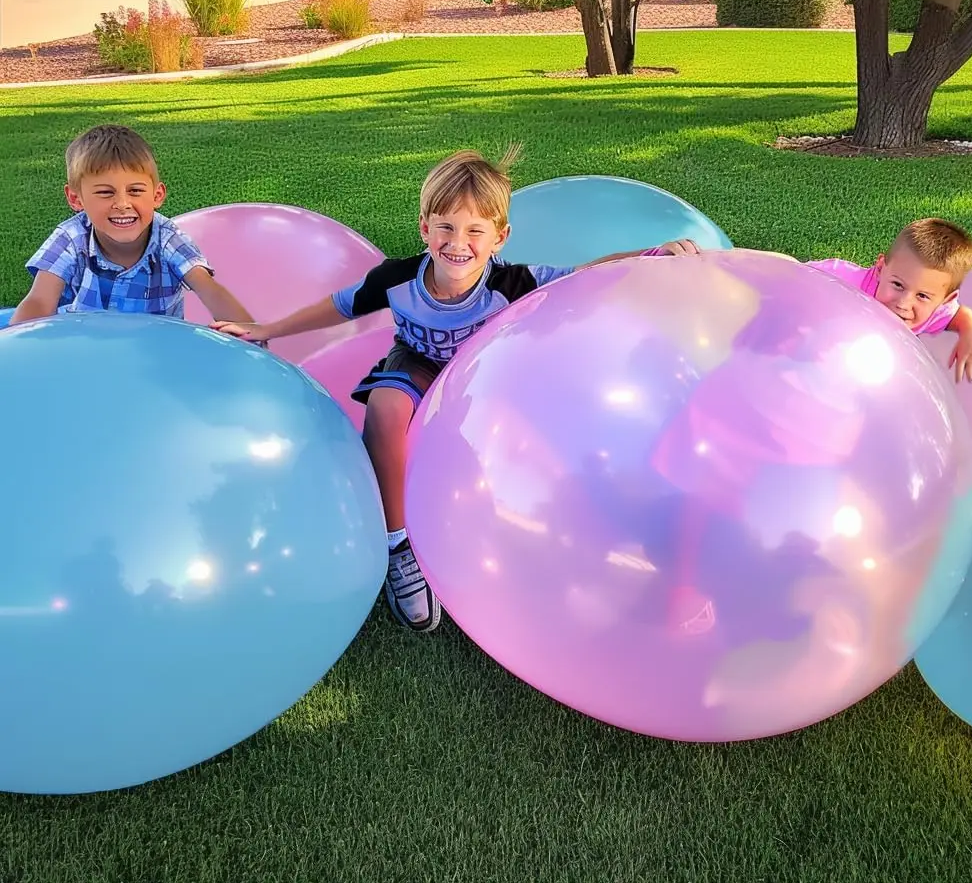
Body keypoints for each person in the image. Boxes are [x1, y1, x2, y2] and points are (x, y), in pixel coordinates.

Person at [212, 147, 698, 633]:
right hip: (419, 364)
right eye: (445, 227)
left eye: (474, 231)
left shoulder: (513, 281)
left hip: (485, 376)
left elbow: (585, 276)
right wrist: (265, 328)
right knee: (385, 406)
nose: (457, 243)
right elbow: (339, 307)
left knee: (544, 439)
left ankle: (578, 535)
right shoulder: (397, 279)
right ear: (425, 227)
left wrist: (649, 256)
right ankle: (398, 546)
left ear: (499, 237)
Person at [9, 125, 254, 326]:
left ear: (157, 195)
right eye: (105, 193)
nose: (122, 204)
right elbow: (40, 301)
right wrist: (18, 353)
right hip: (84, 350)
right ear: (76, 199)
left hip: (154, 357)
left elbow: (210, 291)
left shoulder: (168, 240)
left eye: (135, 191)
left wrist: (250, 341)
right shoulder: (72, 237)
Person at [805, 218, 972, 383]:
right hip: (811, 359)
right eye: (897, 285)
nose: (903, 304)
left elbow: (957, 315)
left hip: (866, 380)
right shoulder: (845, 280)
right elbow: (791, 271)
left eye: (922, 296)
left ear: (945, 300)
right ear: (880, 268)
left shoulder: (933, 313)